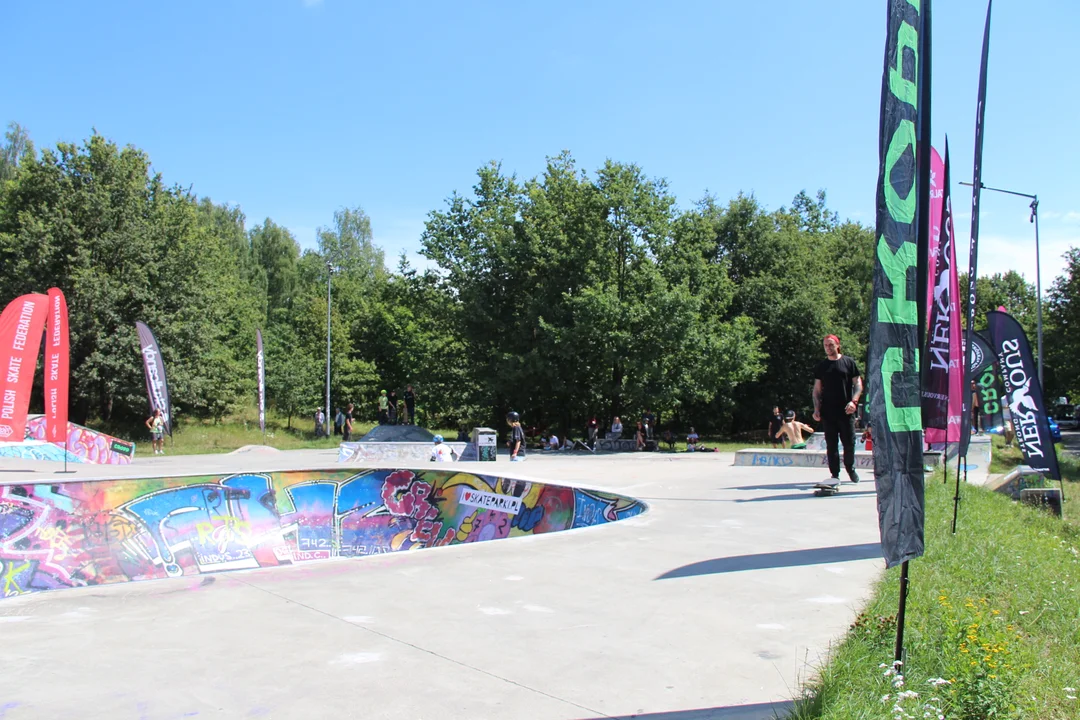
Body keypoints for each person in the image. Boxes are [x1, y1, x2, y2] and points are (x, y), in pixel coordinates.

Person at [813, 334, 863, 487]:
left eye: (830, 345)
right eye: (825, 345)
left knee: (849, 443)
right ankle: (834, 474)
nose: (828, 348)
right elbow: (816, 390)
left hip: (846, 411)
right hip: (828, 412)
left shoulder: (848, 362)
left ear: (837, 345)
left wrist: (854, 402)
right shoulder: (822, 366)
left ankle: (850, 467)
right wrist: (816, 409)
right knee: (831, 444)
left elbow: (858, 385)